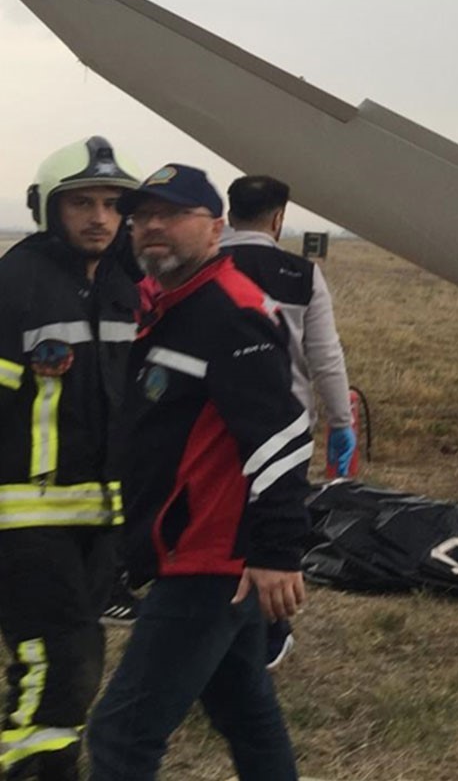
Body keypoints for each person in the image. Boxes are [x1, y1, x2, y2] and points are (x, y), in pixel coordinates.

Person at [85, 164, 312, 781]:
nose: (152, 227)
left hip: (209, 559)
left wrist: (277, 551)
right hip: (197, 549)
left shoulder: (228, 311)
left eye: (172, 215)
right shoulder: (170, 303)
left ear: (215, 228)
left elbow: (282, 432)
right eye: (143, 217)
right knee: (243, 707)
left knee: (122, 735)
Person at [0, 138, 140, 781]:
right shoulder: (14, 284)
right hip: (22, 517)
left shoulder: (126, 286)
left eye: (113, 205)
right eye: (81, 202)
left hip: (100, 515)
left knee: (76, 656)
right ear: (46, 209)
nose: (99, 218)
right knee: (58, 660)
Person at [221, 174, 356, 670]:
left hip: (215, 423)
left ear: (229, 212)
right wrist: (341, 422)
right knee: (272, 525)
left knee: (221, 524)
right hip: (285, 426)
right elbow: (325, 357)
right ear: (278, 219)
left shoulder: (205, 264)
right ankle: (270, 631)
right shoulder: (301, 274)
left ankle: (224, 619)